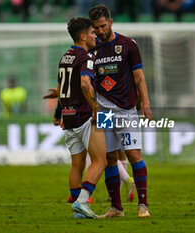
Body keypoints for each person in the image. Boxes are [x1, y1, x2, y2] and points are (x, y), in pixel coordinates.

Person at [89, 4, 152, 218]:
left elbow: (139, 77)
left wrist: (146, 103)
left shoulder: (128, 45)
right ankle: (116, 207)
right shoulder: (92, 49)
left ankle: (143, 205)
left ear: (111, 22)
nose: (100, 31)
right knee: (109, 158)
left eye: (103, 26)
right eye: (96, 28)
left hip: (126, 110)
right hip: (104, 111)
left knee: (134, 154)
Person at [43, 93, 136, 203]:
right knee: (109, 152)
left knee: (100, 155)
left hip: (96, 112)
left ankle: (86, 196)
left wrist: (64, 112)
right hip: (107, 110)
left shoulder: (85, 77)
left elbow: (84, 85)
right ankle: (117, 195)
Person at [57, 17, 107, 219]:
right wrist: (95, 107)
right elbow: (86, 84)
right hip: (85, 115)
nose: (96, 35)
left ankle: (79, 210)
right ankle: (83, 201)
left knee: (77, 163)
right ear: (83, 36)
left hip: (68, 116)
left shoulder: (65, 57)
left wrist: (62, 112)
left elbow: (62, 89)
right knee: (101, 160)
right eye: (93, 33)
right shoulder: (86, 57)